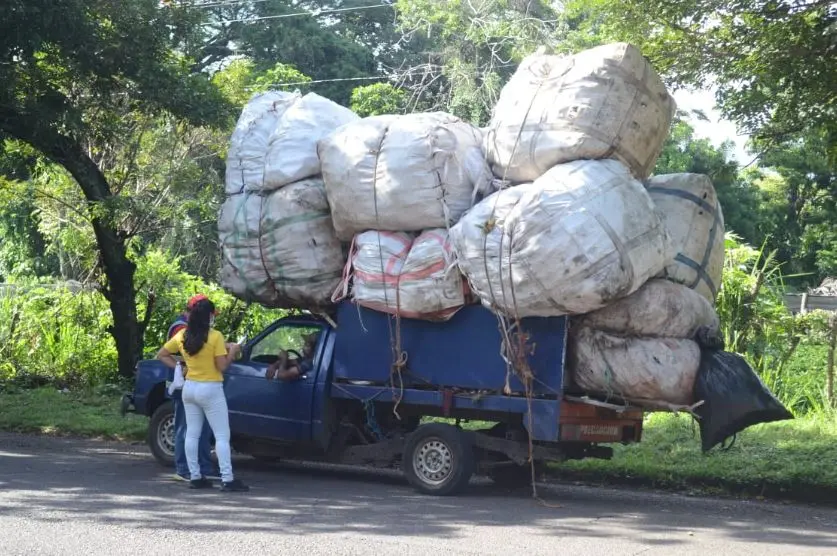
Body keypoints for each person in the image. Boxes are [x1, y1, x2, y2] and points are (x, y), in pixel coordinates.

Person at [157, 297, 249, 492]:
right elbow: (222, 366)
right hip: (211, 388)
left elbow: (162, 354)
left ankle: (195, 476)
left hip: (190, 388)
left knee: (192, 433)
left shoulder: (182, 335)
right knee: (222, 435)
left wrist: (180, 368)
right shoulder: (215, 336)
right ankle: (227, 478)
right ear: (208, 316)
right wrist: (233, 351)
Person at [167, 295, 217, 482]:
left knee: (203, 428)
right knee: (184, 427)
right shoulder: (180, 328)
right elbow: (178, 353)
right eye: (209, 314)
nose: (211, 318)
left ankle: (203, 466)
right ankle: (183, 467)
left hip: (199, 382)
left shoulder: (197, 328)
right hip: (183, 384)